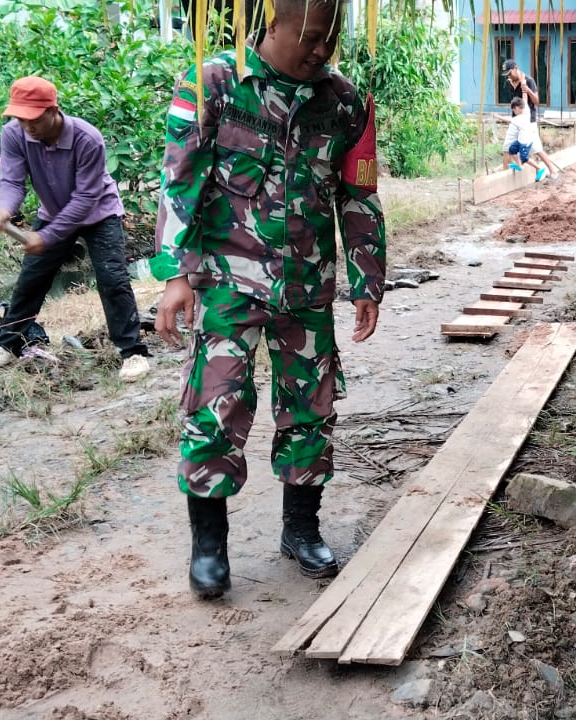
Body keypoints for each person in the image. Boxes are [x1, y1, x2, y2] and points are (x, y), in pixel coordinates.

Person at [151, 0, 386, 597]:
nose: (320, 50)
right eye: (309, 36)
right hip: (229, 282)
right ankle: (209, 546)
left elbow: (358, 196)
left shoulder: (344, 102)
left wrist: (367, 279)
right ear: (272, 24)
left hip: (307, 285)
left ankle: (301, 530)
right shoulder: (215, 82)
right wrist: (176, 275)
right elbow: (180, 180)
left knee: (312, 405)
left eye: (330, 38)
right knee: (215, 406)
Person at [0, 76, 151, 380]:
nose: (26, 125)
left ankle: (132, 352)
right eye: (20, 118)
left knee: (112, 278)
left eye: (33, 118)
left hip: (99, 213)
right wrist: (4, 210)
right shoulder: (14, 134)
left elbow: (85, 198)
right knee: (31, 278)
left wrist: (47, 236)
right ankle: (7, 345)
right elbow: (12, 181)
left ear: (53, 110)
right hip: (54, 211)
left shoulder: (87, 138)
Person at [503, 96, 550, 181]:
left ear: (516, 108)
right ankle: (519, 165)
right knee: (512, 150)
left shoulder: (520, 118)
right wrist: (524, 87)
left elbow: (508, 119)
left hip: (526, 142)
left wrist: (497, 116)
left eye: (513, 110)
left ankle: (538, 168)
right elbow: (525, 99)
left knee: (524, 158)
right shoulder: (527, 110)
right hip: (521, 141)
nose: (514, 112)